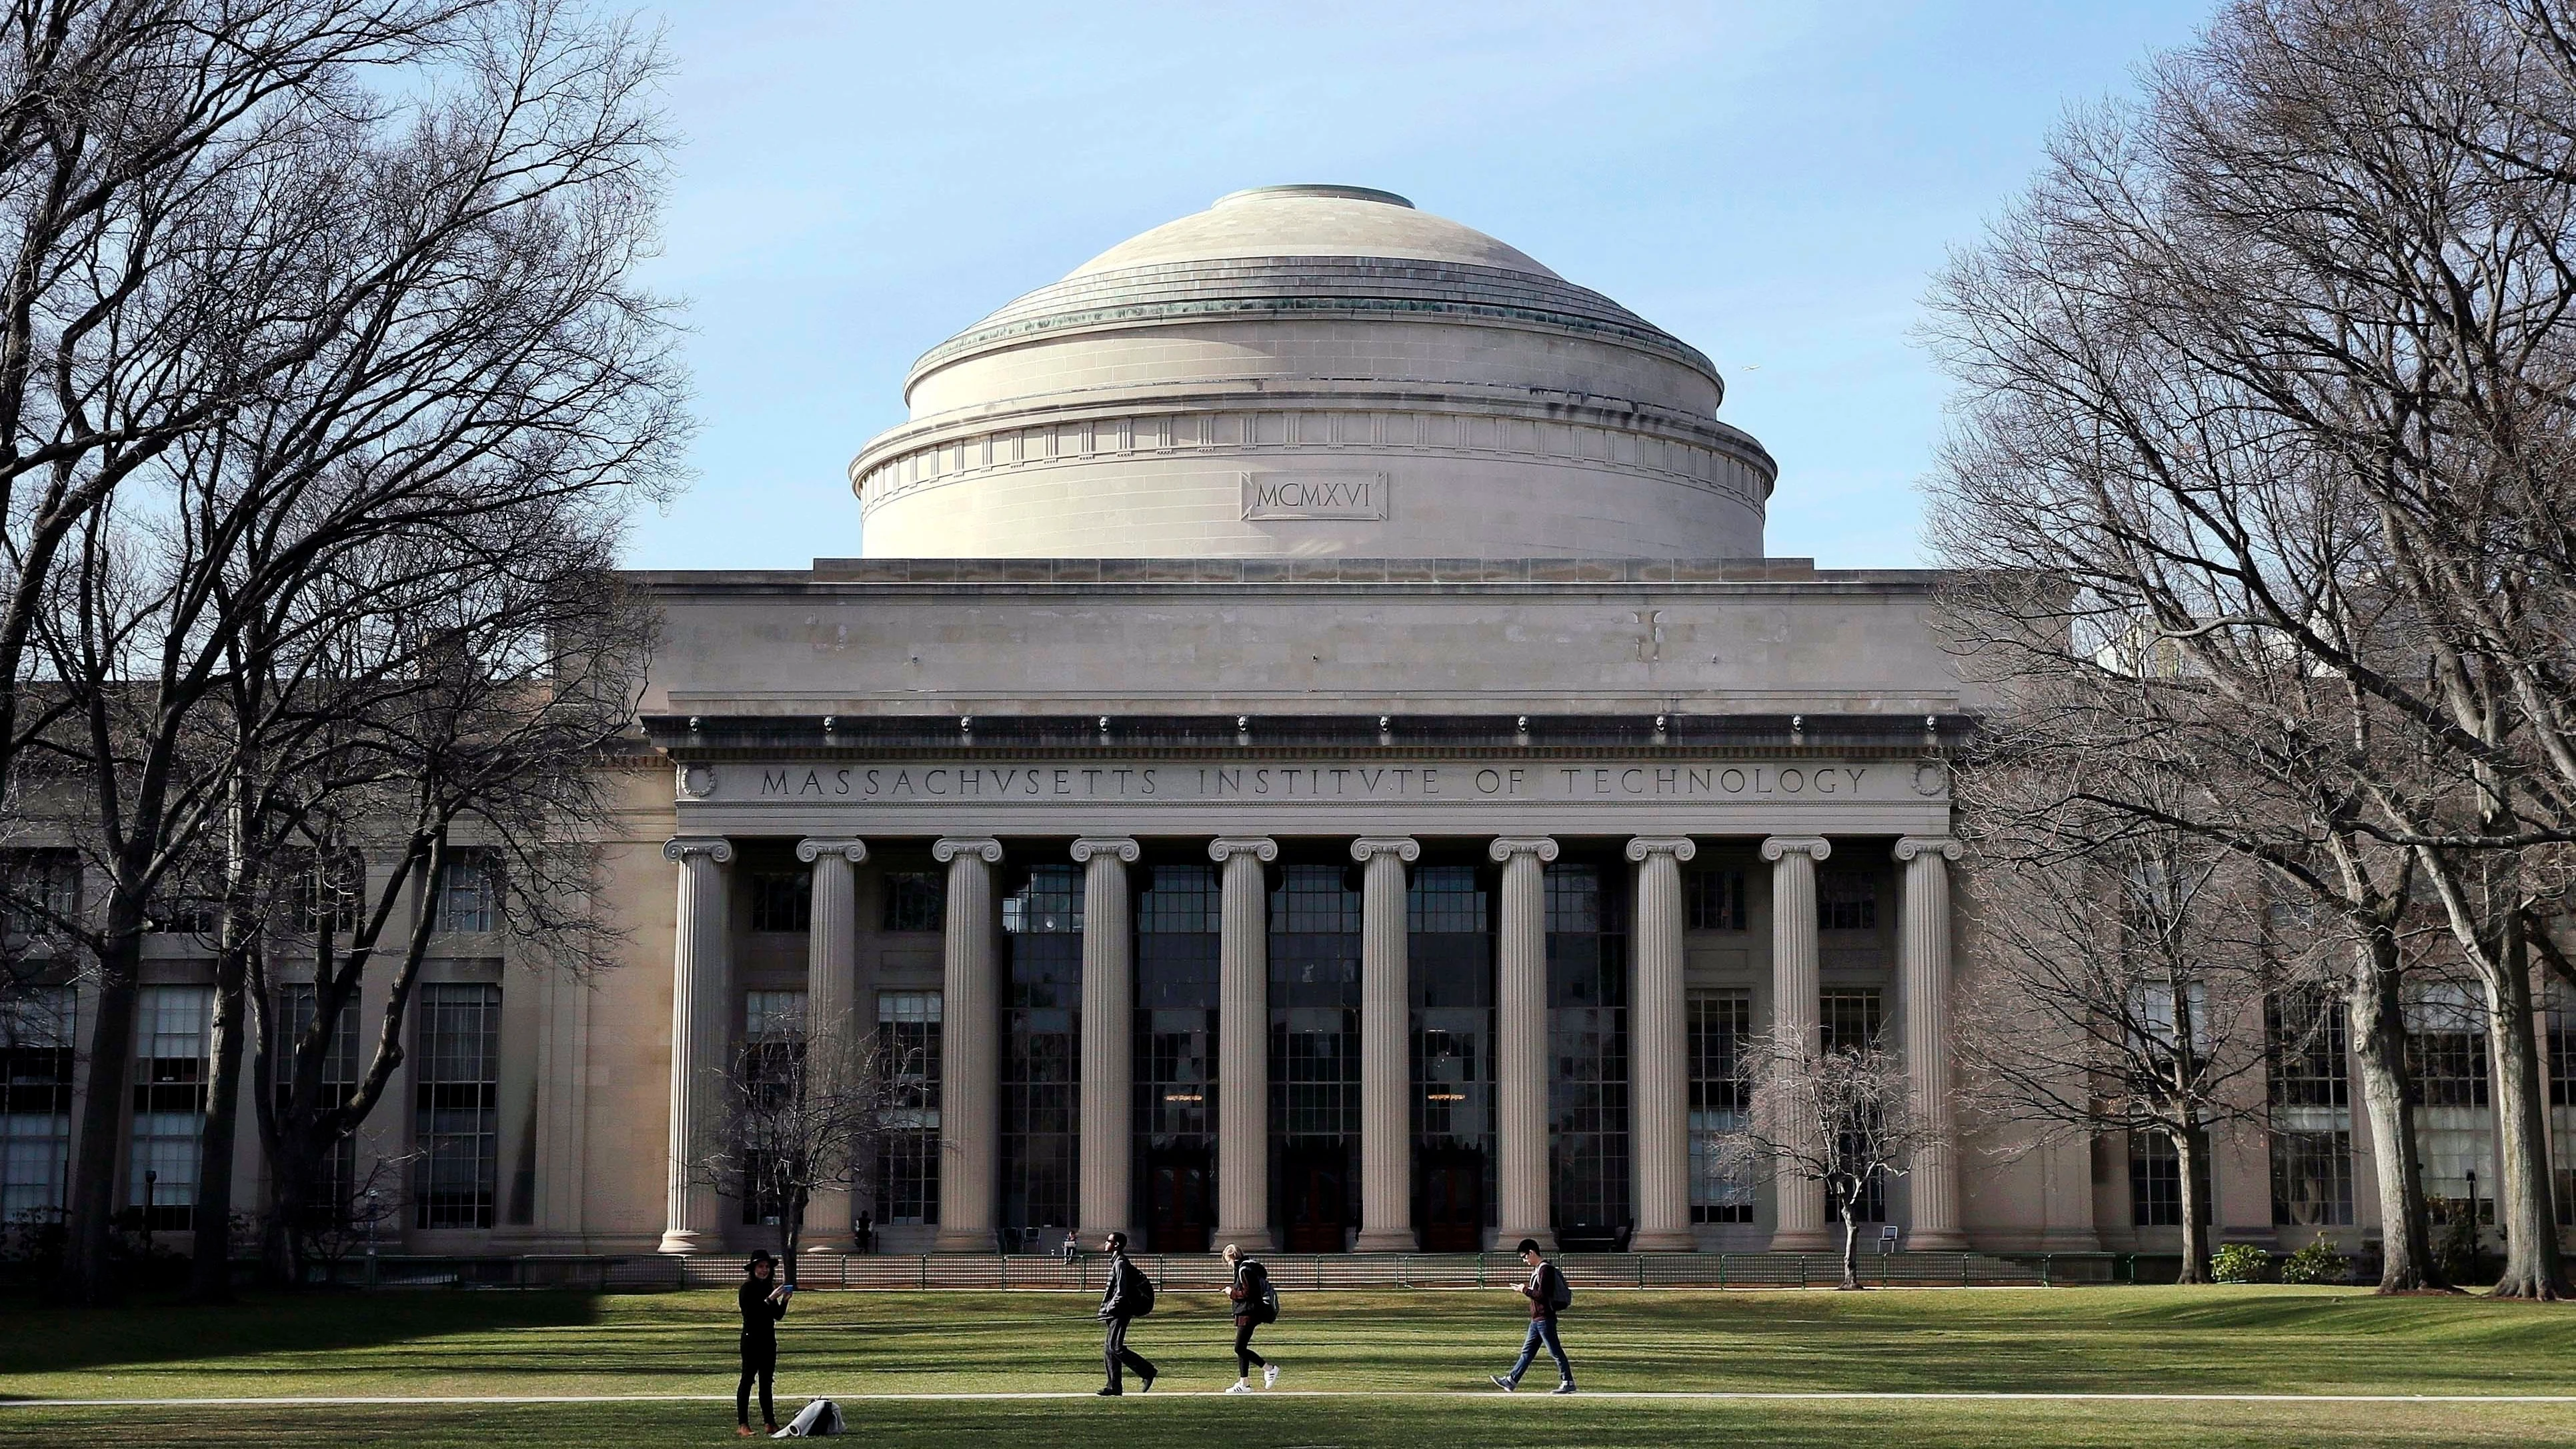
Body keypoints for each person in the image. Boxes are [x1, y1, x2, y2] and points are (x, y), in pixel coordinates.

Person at [1490, 1238, 1574, 1394]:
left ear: (1532, 1252)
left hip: (1544, 1318)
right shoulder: (1538, 1270)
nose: (1524, 1261)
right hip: (1537, 1320)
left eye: (1524, 1257)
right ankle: (1511, 1380)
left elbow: (1543, 1295)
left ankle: (1568, 1381)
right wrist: (1523, 1290)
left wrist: (1525, 1290)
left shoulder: (1545, 1270)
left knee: (1555, 1351)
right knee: (1527, 1352)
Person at [1095, 1231, 1157, 1396]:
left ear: (1116, 1245)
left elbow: (1121, 1292)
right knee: (1109, 1349)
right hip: (1116, 1311)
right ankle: (1114, 1386)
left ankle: (1147, 1371)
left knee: (1116, 1347)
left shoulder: (1121, 1263)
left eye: (1108, 1241)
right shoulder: (1116, 1262)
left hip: (1121, 1311)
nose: (1105, 1243)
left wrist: (1109, 1308)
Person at [737, 1250, 792, 1434]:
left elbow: (777, 1316)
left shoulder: (769, 1288)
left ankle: (770, 1422)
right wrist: (770, 1299)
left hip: (768, 1341)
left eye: (767, 1267)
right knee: (747, 1380)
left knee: (766, 1382)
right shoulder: (747, 1289)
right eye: (761, 1266)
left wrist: (784, 1300)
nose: (764, 1270)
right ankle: (743, 1424)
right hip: (751, 1340)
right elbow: (752, 1314)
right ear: (753, 1269)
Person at [1220, 1242, 1279, 1393]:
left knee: (1239, 1347)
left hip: (1249, 1312)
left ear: (1232, 1257)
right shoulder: (1248, 1268)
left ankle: (1269, 1369)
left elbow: (1249, 1294)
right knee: (1242, 1348)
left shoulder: (1244, 1271)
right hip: (1245, 1312)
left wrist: (1231, 1293)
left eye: (1228, 1260)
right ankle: (1244, 1383)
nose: (1228, 1264)